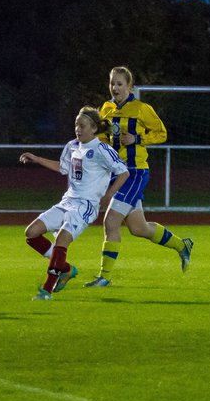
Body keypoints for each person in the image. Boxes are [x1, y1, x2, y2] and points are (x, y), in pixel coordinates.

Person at [86, 66, 194, 287]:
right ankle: (182, 245)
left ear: (129, 87)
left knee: (111, 221)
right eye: (112, 83)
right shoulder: (106, 109)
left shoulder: (142, 109)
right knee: (139, 228)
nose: (114, 87)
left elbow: (162, 133)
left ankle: (104, 277)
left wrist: (138, 139)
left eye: (119, 84)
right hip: (117, 173)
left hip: (135, 172)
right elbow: (104, 139)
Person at [19, 106, 128, 301]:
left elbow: (123, 172)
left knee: (62, 239)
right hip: (67, 201)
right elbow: (62, 168)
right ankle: (66, 269)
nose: (78, 129)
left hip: (85, 206)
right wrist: (37, 159)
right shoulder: (72, 146)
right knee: (31, 233)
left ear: (94, 129)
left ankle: (46, 290)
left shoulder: (102, 149)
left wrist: (109, 195)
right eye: (76, 124)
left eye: (82, 125)